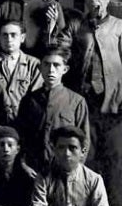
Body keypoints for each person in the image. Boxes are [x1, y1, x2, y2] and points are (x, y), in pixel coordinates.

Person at [68, 0, 122, 206]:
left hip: (112, 103)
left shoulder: (120, 28)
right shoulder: (79, 28)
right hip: (85, 102)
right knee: (87, 155)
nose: (94, 0)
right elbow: (66, 58)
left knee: (113, 156)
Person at [16, 45, 90, 173]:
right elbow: (20, 136)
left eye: (56, 65)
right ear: (40, 68)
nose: (51, 70)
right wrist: (23, 163)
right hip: (34, 169)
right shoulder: (29, 101)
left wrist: (74, 169)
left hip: (64, 169)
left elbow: (85, 141)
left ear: (65, 69)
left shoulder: (76, 101)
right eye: (46, 64)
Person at [0, 19, 43, 133]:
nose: (9, 39)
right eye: (5, 35)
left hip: (25, 128)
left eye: (14, 35)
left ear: (22, 38)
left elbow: (35, 101)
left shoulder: (34, 64)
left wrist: (27, 129)